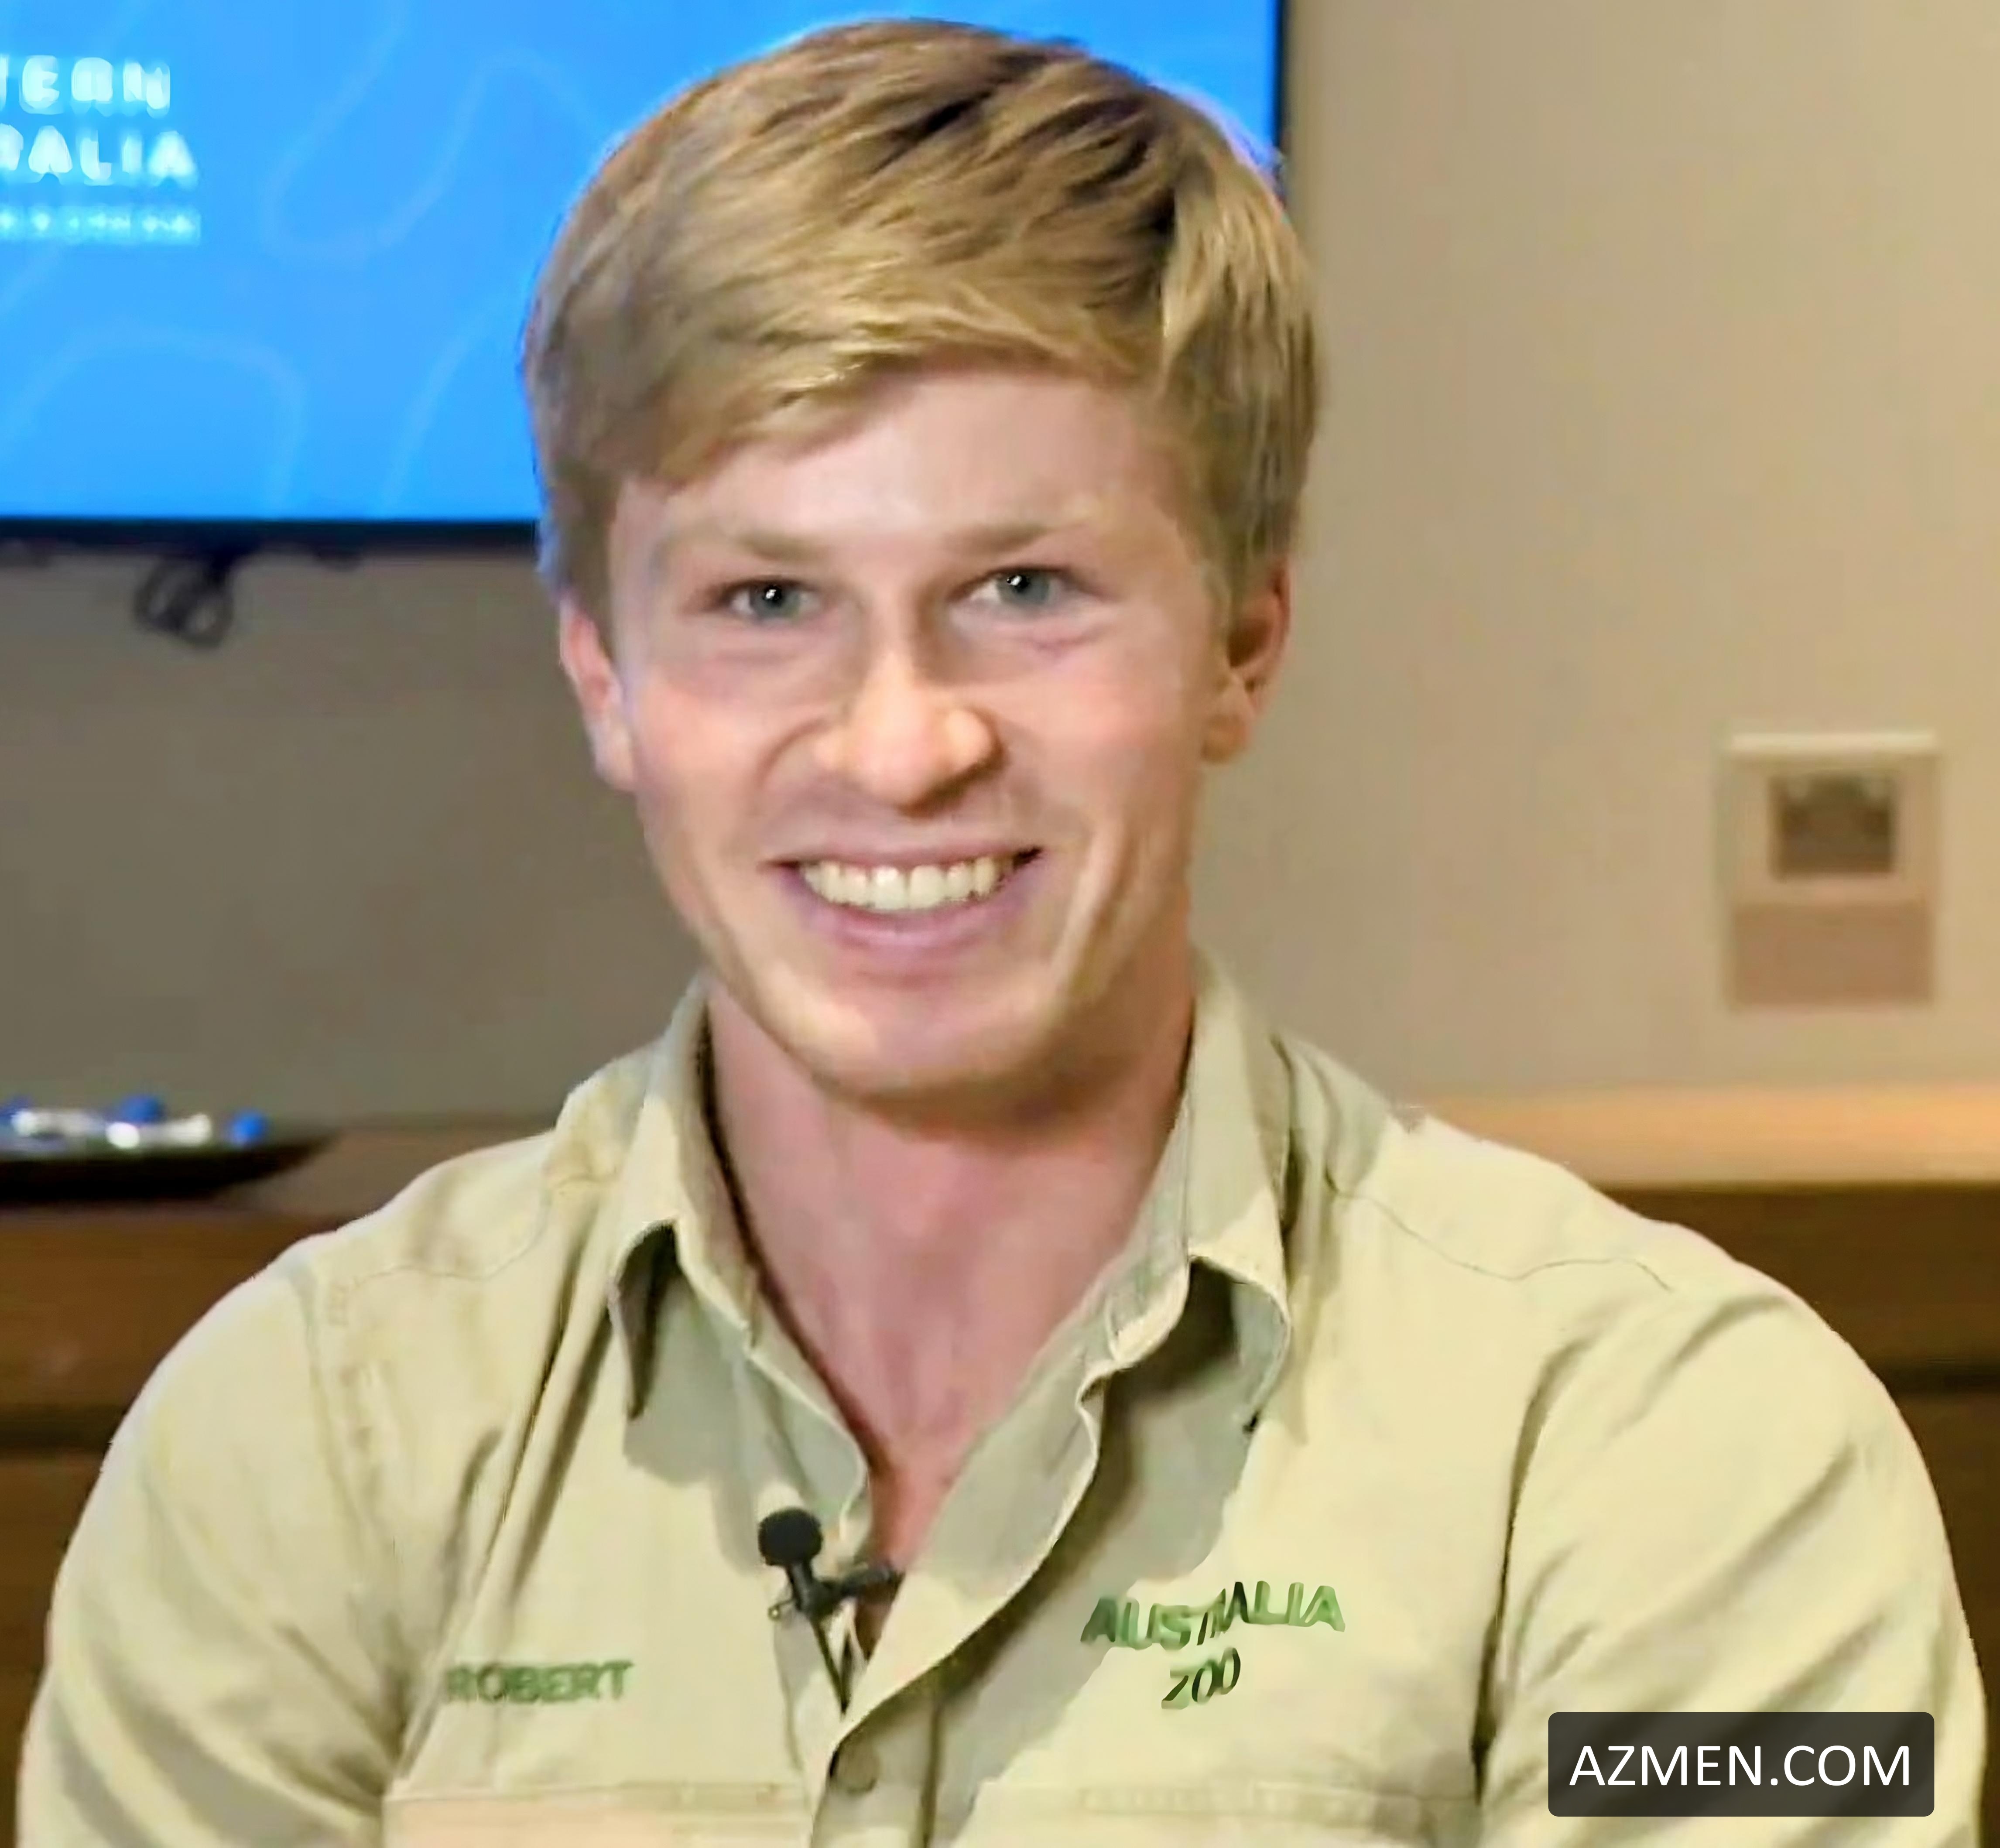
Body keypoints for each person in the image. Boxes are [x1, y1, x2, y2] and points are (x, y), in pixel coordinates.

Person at [18, 17, 1983, 1845]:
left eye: (1026, 588)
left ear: (1243, 643)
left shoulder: (1690, 1449)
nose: (902, 746)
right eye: (767, 602)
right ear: (605, 677)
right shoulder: (299, 1443)